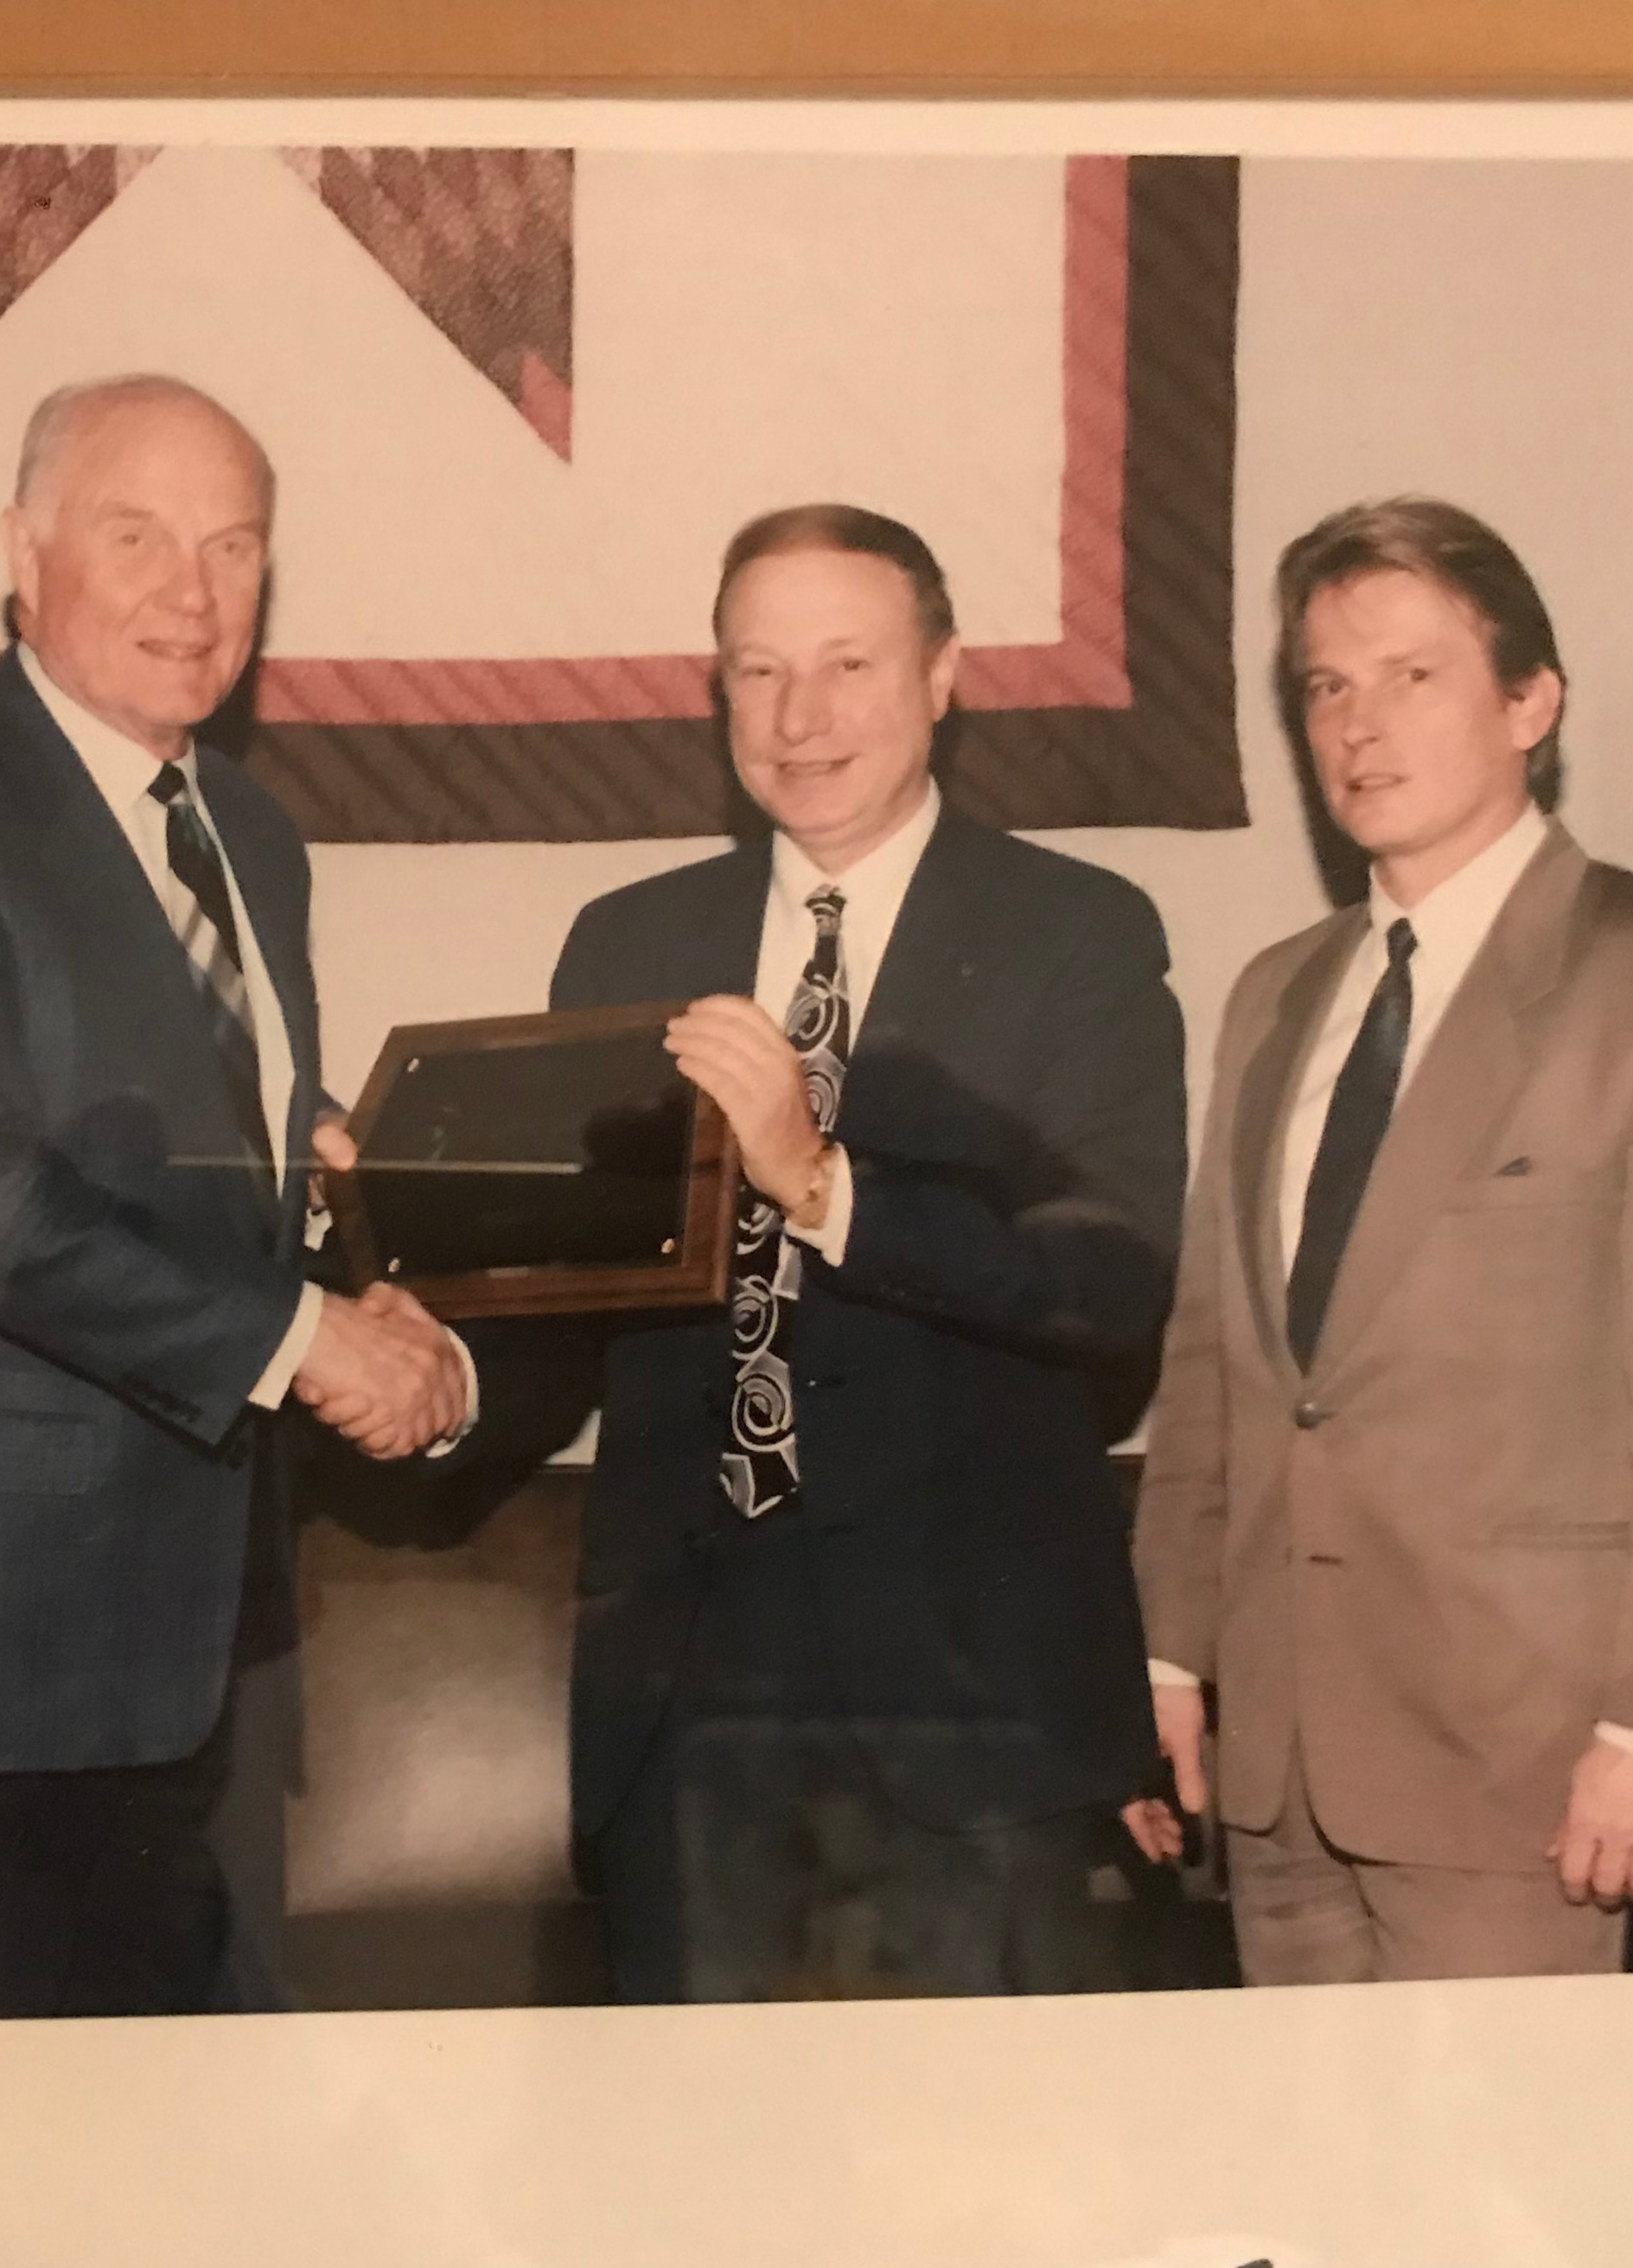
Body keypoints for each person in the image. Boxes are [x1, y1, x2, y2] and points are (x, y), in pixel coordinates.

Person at [0, 374, 469, 2022]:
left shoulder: (253, 834)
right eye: (137, 536)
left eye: (235, 547)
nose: (193, 592)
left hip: (210, 1649)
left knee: (194, 2201)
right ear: (24, 551)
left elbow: (195, 1148)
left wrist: (348, 1208)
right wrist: (309, 1343)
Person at [478, 502, 1187, 2003]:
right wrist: (419, 1341)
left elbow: (1110, 1284)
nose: (800, 719)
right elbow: (565, 1299)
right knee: (697, 2198)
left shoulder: (1079, 935)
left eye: (848, 664)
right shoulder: (623, 941)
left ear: (943, 679)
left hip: (974, 1707)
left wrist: (822, 1183)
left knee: (979, 2202)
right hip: (688, 1706)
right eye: (757, 671)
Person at [1131, 495, 1633, 1983]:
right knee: (1304, 2206)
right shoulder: (1274, 995)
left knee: (1491, 2211)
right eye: (1325, 687)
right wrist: (1172, 1647)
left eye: (1411, 674)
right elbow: (1219, 1363)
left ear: (1530, 702)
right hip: (1281, 1767)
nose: (1358, 727)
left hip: (1530, 1766)